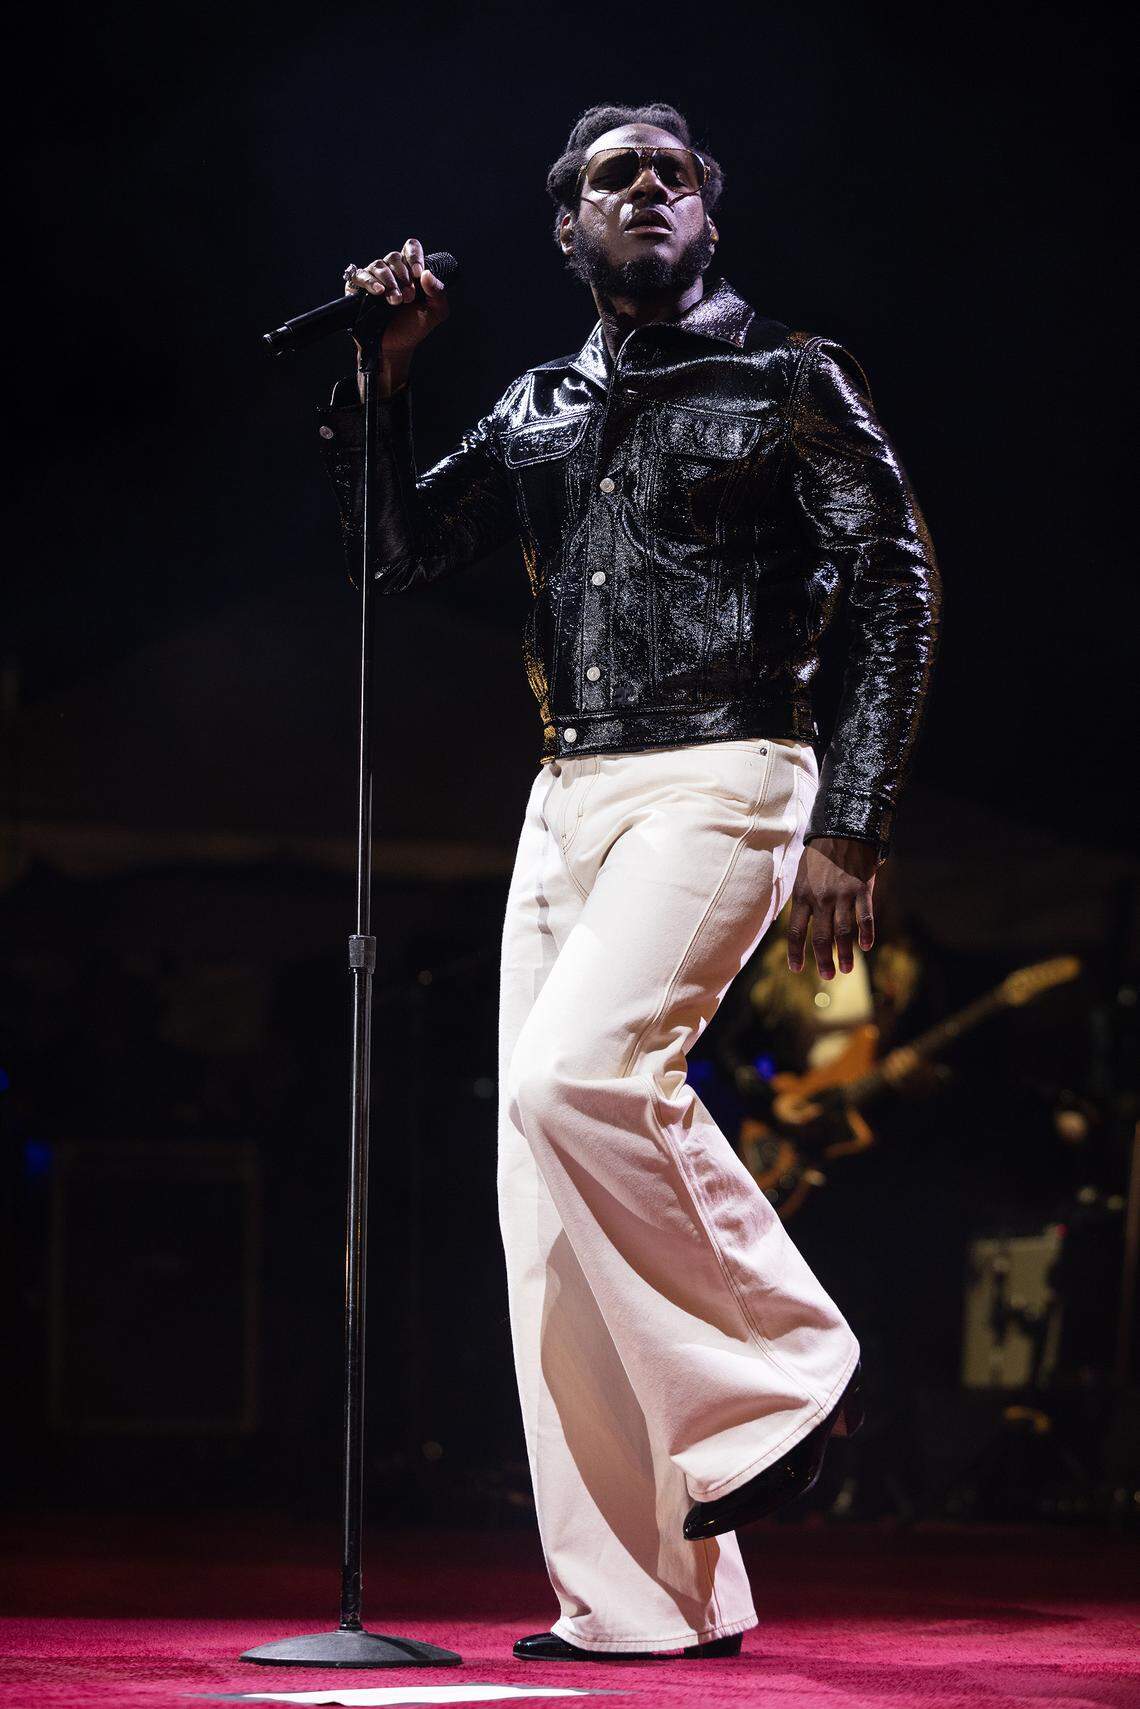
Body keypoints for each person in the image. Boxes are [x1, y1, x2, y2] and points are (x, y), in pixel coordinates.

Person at [317, 100, 941, 1662]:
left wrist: (851, 824)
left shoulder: (792, 375)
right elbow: (396, 557)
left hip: (730, 763)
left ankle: (783, 1375)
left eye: (673, 174)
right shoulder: (536, 400)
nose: (646, 190)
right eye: (615, 177)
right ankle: (642, 1595)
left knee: (581, 1081)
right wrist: (383, 379)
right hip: (569, 783)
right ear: (567, 228)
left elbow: (897, 577)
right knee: (544, 1193)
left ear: (709, 219)